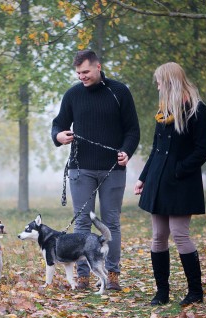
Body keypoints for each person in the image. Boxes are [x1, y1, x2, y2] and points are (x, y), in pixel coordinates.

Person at [52, 50, 140, 291]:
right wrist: (58, 136)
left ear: (98, 67)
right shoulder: (73, 94)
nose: (81, 77)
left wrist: (126, 151)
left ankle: (112, 275)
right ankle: (83, 277)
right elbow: (58, 125)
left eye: (86, 72)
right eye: (78, 73)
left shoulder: (119, 92)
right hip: (81, 169)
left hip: (113, 169)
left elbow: (133, 130)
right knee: (82, 224)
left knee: (111, 223)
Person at [134, 62, 206, 306]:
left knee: (179, 234)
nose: (157, 87)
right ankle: (162, 293)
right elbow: (156, 149)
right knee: (158, 236)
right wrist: (143, 177)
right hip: (157, 182)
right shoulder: (163, 112)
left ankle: (195, 292)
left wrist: (179, 169)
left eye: (159, 82)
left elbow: (202, 150)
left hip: (181, 183)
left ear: (170, 83)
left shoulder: (197, 110)